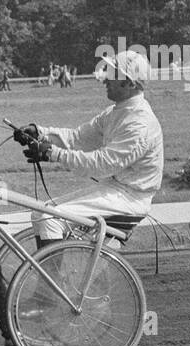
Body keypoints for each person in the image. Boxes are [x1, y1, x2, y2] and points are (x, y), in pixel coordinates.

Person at [13, 49, 163, 248]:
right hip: (115, 189)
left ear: (129, 83)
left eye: (112, 74)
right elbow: (78, 138)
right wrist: (40, 133)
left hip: (131, 199)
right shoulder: (114, 113)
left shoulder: (140, 124)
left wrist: (51, 153)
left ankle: (54, 278)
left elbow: (101, 165)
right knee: (40, 212)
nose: (104, 80)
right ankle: (52, 274)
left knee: (50, 219)